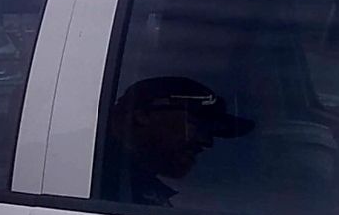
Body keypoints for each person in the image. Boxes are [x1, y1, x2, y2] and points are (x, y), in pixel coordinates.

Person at [107, 76, 253, 206]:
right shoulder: (100, 183)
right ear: (143, 115)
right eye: (195, 125)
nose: (207, 142)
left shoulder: (129, 189)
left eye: (210, 133)